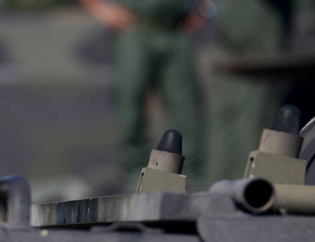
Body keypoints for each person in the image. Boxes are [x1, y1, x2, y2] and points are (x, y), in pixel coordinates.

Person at [78, 0, 206, 190]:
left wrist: (203, 8)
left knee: (187, 109)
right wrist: (99, 9)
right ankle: (133, 177)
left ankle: (192, 177)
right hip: (134, 28)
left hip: (176, 29)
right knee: (131, 105)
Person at [206, 0, 293, 184]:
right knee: (232, 118)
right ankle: (228, 191)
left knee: (247, 118)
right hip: (239, 26)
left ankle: (235, 192)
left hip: (250, 25)